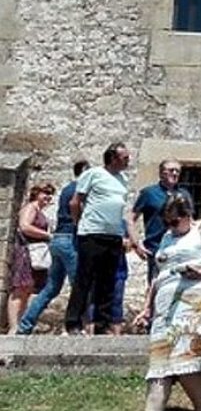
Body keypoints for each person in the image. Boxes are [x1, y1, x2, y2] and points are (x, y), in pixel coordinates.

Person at [136, 195, 201, 411]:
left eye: (174, 221)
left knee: (187, 359)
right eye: (166, 222)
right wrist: (147, 307)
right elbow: (158, 275)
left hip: (194, 303)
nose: (170, 226)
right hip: (165, 308)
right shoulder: (166, 238)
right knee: (159, 364)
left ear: (188, 215)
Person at [64, 142, 140, 335]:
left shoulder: (122, 179)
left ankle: (102, 323)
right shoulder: (93, 174)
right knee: (85, 278)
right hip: (92, 233)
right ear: (113, 158)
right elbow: (75, 202)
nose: (128, 161)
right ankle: (73, 322)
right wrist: (79, 223)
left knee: (107, 281)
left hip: (113, 236)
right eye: (125, 158)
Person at [18, 161, 88, 334]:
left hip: (58, 240)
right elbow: (75, 206)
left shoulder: (67, 189)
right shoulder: (80, 189)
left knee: (51, 288)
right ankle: (77, 326)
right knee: (79, 285)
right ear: (84, 172)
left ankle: (25, 325)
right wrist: (80, 224)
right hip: (70, 239)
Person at [131, 159, 194, 285]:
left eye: (177, 171)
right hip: (156, 248)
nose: (175, 173)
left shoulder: (184, 194)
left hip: (180, 247)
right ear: (161, 173)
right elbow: (131, 219)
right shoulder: (149, 193)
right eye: (171, 170)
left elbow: (190, 220)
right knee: (156, 285)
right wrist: (136, 244)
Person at [7, 183, 55, 333]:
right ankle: (14, 327)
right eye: (45, 192)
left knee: (27, 290)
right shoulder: (31, 208)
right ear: (36, 193)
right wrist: (48, 235)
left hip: (34, 253)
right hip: (26, 252)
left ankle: (19, 324)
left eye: (50, 193)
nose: (48, 196)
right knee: (20, 289)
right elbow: (25, 226)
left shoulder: (38, 210)